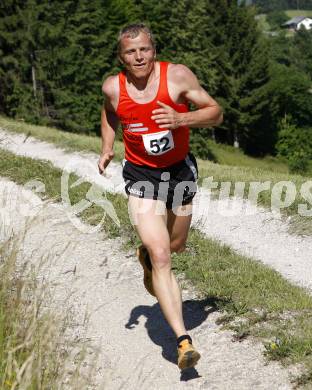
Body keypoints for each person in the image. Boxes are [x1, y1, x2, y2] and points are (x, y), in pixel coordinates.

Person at [98, 23, 223, 371]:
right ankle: (184, 343)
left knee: (177, 244)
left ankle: (147, 256)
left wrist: (181, 118)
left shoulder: (178, 77)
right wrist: (108, 147)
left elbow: (216, 112)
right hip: (141, 177)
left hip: (180, 173)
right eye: (130, 52)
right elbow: (110, 112)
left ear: (153, 50)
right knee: (163, 255)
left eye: (145, 50)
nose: (139, 57)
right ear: (121, 57)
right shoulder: (113, 87)